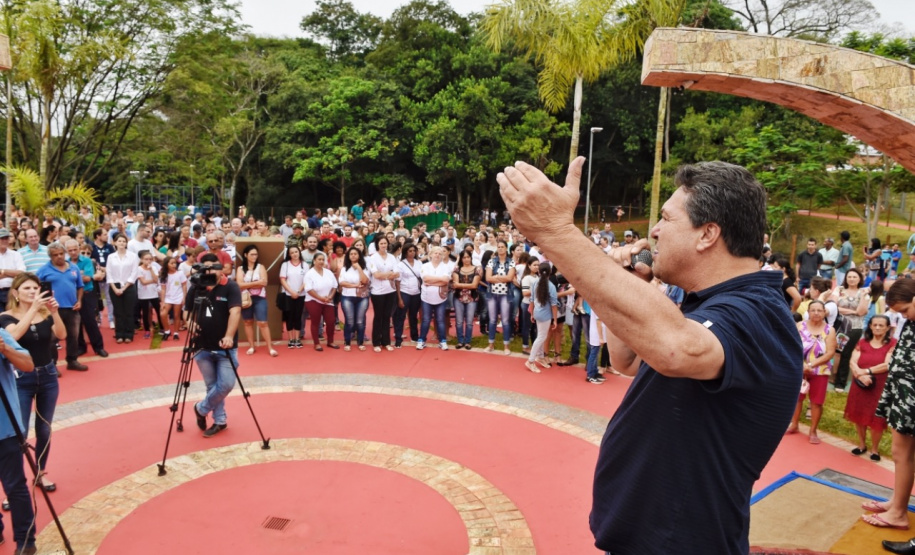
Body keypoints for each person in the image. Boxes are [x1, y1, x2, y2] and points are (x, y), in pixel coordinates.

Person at [497, 158, 801, 554]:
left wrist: (554, 232)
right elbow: (630, 359)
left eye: (665, 219)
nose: (654, 231)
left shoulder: (756, 312)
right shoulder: (713, 304)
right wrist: (622, 282)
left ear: (707, 233)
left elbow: (675, 349)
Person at [1, 273, 65, 499]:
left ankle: (40, 472)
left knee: (44, 428)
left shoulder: (44, 312)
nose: (33, 292)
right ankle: (14, 487)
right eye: (27, 288)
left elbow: (62, 334)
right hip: (21, 379)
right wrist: (32, 310)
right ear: (16, 294)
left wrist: (54, 313)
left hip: (48, 374)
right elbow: (14, 337)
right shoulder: (5, 317)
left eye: (36, 288)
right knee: (19, 433)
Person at [863, 279, 915, 535]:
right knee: (900, 453)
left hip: (911, 397)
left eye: (905, 310)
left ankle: (898, 513)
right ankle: (897, 502)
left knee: (902, 453)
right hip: (904, 392)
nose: (904, 316)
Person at [188, 253, 242, 438]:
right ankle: (220, 421)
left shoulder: (231, 286)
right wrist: (190, 323)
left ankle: (201, 409)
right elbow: (188, 313)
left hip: (225, 347)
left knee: (225, 384)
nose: (211, 271)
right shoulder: (197, 286)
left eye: (214, 267)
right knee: (212, 386)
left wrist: (228, 336)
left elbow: (235, 312)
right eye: (207, 267)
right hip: (202, 346)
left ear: (222, 268)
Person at [0, 321, 37, 554]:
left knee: (14, 485)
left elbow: (28, 365)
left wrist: (5, 349)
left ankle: (25, 539)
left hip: (6, 427)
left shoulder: (1, 335)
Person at [844, 314, 894, 462]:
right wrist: (860, 375)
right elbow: (853, 361)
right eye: (875, 325)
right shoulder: (862, 342)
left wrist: (866, 371)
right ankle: (861, 445)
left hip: (879, 386)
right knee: (858, 414)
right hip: (860, 385)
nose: (877, 328)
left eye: (881, 325)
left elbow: (887, 364)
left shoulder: (892, 344)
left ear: (887, 328)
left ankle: (875, 449)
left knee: (876, 418)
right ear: (870, 326)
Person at [786, 300, 837, 443]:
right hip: (799, 368)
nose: (816, 313)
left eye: (819, 310)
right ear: (808, 311)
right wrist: (802, 365)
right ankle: (794, 424)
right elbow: (792, 345)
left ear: (824, 312)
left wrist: (811, 364)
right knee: (796, 398)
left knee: (816, 402)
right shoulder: (799, 326)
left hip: (820, 370)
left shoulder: (829, 330)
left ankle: (813, 430)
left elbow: (830, 352)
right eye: (813, 310)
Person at [36, 242, 87, 371]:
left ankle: (72, 360)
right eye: (55, 255)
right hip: (52, 310)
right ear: (50, 257)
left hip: (72, 308)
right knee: (52, 338)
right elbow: (36, 287)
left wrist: (79, 300)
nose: (59, 256)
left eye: (61, 254)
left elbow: (80, 286)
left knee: (73, 336)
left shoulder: (73, 268)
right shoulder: (43, 270)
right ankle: (52, 364)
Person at [831, 269, 870, 392]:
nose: (852, 279)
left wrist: (862, 299)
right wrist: (854, 311)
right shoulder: (839, 290)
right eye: (849, 276)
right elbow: (833, 306)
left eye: (854, 277)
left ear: (859, 279)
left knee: (846, 353)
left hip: (855, 327)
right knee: (836, 351)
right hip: (840, 326)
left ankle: (840, 382)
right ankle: (832, 375)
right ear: (846, 278)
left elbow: (862, 312)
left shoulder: (863, 293)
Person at [236, 245, 277, 357]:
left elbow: (264, 282)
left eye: (256, 254)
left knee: (263, 322)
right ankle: (251, 346)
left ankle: (270, 347)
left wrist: (247, 285)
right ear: (245, 255)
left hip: (260, 298)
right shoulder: (240, 269)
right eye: (252, 254)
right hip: (245, 298)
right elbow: (239, 285)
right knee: (248, 322)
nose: (254, 256)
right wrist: (256, 283)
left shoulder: (261, 267)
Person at [72, 240, 107, 358]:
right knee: (76, 323)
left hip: (87, 294)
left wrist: (73, 276)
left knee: (90, 322)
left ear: (78, 248)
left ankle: (99, 347)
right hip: (71, 296)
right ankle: (81, 347)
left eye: (75, 249)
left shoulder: (87, 261)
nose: (73, 252)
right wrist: (79, 276)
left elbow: (87, 278)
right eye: (70, 250)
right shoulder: (65, 263)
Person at [106, 234, 140, 344]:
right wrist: (115, 288)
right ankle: (119, 334)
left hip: (129, 286)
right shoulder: (111, 257)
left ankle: (129, 334)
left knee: (129, 311)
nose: (122, 243)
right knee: (118, 311)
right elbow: (109, 273)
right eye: (119, 241)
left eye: (124, 241)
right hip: (114, 285)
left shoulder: (133, 256)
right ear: (115, 243)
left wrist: (124, 288)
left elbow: (134, 273)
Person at [525, 261, 558, 373]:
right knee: (541, 337)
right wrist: (555, 320)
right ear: (550, 272)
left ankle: (540, 357)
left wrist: (532, 313)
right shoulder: (551, 286)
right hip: (545, 315)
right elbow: (554, 305)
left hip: (537, 313)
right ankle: (530, 361)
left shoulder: (535, 282)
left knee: (540, 336)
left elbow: (532, 299)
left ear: (539, 272)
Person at [367, 236, 399, 352]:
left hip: (390, 290)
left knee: (387, 317)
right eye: (381, 243)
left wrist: (384, 275)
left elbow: (396, 273)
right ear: (377, 245)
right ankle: (376, 342)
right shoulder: (373, 258)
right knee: (378, 316)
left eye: (385, 243)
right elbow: (376, 275)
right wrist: (388, 274)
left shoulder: (391, 257)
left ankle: (386, 341)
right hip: (377, 292)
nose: (383, 245)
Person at [485, 240, 515, 355]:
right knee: (492, 320)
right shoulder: (491, 261)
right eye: (499, 247)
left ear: (506, 248)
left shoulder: (511, 262)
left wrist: (496, 277)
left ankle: (506, 346)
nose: (501, 249)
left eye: (503, 247)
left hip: (505, 295)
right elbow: (488, 278)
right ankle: (491, 344)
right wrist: (502, 277)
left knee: (505, 320)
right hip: (492, 293)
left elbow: (510, 278)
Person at [418, 246, 451, 351]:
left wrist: (431, 281)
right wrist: (439, 280)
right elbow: (425, 278)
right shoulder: (425, 266)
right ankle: (421, 340)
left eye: (440, 253)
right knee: (426, 319)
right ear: (430, 254)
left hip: (441, 298)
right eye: (435, 253)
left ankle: (442, 341)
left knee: (440, 320)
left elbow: (445, 281)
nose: (437, 255)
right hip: (426, 297)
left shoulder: (445, 267)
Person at [304, 252, 339, 351]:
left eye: (323, 260)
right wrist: (320, 298)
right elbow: (309, 289)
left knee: (331, 321)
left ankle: (330, 341)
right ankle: (316, 343)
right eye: (319, 259)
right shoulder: (309, 274)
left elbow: (334, 286)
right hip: (313, 300)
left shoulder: (328, 272)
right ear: (314, 261)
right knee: (316, 321)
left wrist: (330, 297)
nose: (321, 261)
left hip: (328, 300)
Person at [338, 246, 370, 351]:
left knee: (360, 321)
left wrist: (359, 268)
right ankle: (347, 342)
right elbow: (342, 283)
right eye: (351, 254)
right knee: (350, 321)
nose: (353, 256)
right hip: (347, 297)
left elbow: (365, 281)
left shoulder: (365, 268)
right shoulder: (344, 268)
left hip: (362, 297)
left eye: (355, 254)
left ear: (359, 256)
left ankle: (360, 342)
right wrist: (355, 285)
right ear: (348, 256)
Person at [394, 243, 422, 348]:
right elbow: (397, 282)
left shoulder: (419, 263)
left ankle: (415, 336)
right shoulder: (401, 264)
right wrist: (399, 298)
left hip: (416, 293)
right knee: (401, 316)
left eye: (414, 251)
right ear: (405, 252)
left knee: (413, 316)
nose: (412, 253)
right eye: (410, 251)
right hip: (404, 292)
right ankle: (398, 338)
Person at [279, 246, 307, 349]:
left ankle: (297, 339)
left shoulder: (305, 265)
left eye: (296, 252)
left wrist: (298, 291)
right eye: (292, 252)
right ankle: (290, 339)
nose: (295, 254)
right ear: (289, 254)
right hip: (288, 295)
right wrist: (291, 292)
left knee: (298, 316)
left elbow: (306, 280)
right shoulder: (285, 265)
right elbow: (282, 280)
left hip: (301, 295)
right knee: (289, 317)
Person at [452, 249, 481, 350]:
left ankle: (468, 341)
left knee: (469, 321)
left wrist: (461, 285)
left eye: (468, 257)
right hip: (458, 297)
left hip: (471, 298)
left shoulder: (476, 269)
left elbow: (475, 285)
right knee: (459, 321)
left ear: (471, 258)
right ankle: (460, 341)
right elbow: (455, 285)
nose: (466, 259)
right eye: (464, 257)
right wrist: (469, 285)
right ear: (461, 258)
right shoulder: (457, 269)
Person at [158, 256, 187, 341]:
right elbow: (163, 289)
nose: (174, 265)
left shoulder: (180, 273)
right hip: (168, 297)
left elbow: (184, 285)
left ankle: (176, 333)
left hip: (178, 296)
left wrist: (184, 297)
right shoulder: (163, 275)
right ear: (167, 264)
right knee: (163, 314)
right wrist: (162, 301)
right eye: (172, 263)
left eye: (175, 263)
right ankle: (167, 331)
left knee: (176, 315)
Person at [136, 250, 162, 340]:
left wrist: (151, 270)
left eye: (150, 259)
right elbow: (143, 282)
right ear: (142, 260)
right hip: (143, 294)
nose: (148, 261)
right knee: (145, 312)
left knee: (158, 310)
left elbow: (156, 279)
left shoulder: (153, 268)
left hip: (154, 293)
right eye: (146, 259)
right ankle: (147, 330)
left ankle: (162, 328)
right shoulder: (139, 269)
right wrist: (152, 281)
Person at [0, 229, 25, 307]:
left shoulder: (16, 254)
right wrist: (12, 274)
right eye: (2, 239)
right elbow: (17, 273)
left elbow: (21, 273)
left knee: (12, 317)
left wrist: (3, 271)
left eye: (6, 238)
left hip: (11, 291)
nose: (4, 241)